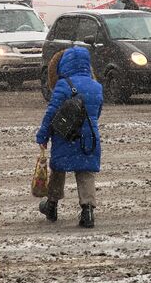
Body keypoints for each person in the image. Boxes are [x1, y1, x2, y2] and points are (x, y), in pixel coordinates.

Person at [35, 46, 104, 228]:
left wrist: (43, 135)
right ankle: (87, 211)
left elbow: (52, 112)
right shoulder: (97, 86)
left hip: (65, 135)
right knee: (86, 172)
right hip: (89, 137)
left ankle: (52, 205)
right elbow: (97, 112)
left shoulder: (63, 85)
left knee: (58, 169)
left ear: (65, 64)